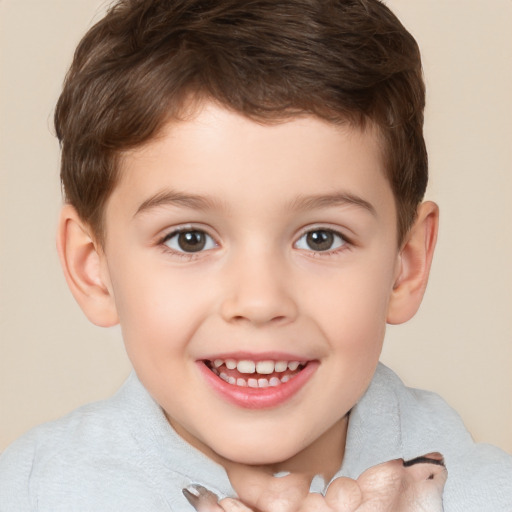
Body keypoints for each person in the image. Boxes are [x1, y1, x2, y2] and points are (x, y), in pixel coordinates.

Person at [0, 0, 510, 510]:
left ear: (407, 263)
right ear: (94, 267)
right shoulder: (26, 493)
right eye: (189, 239)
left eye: (321, 238)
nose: (261, 300)